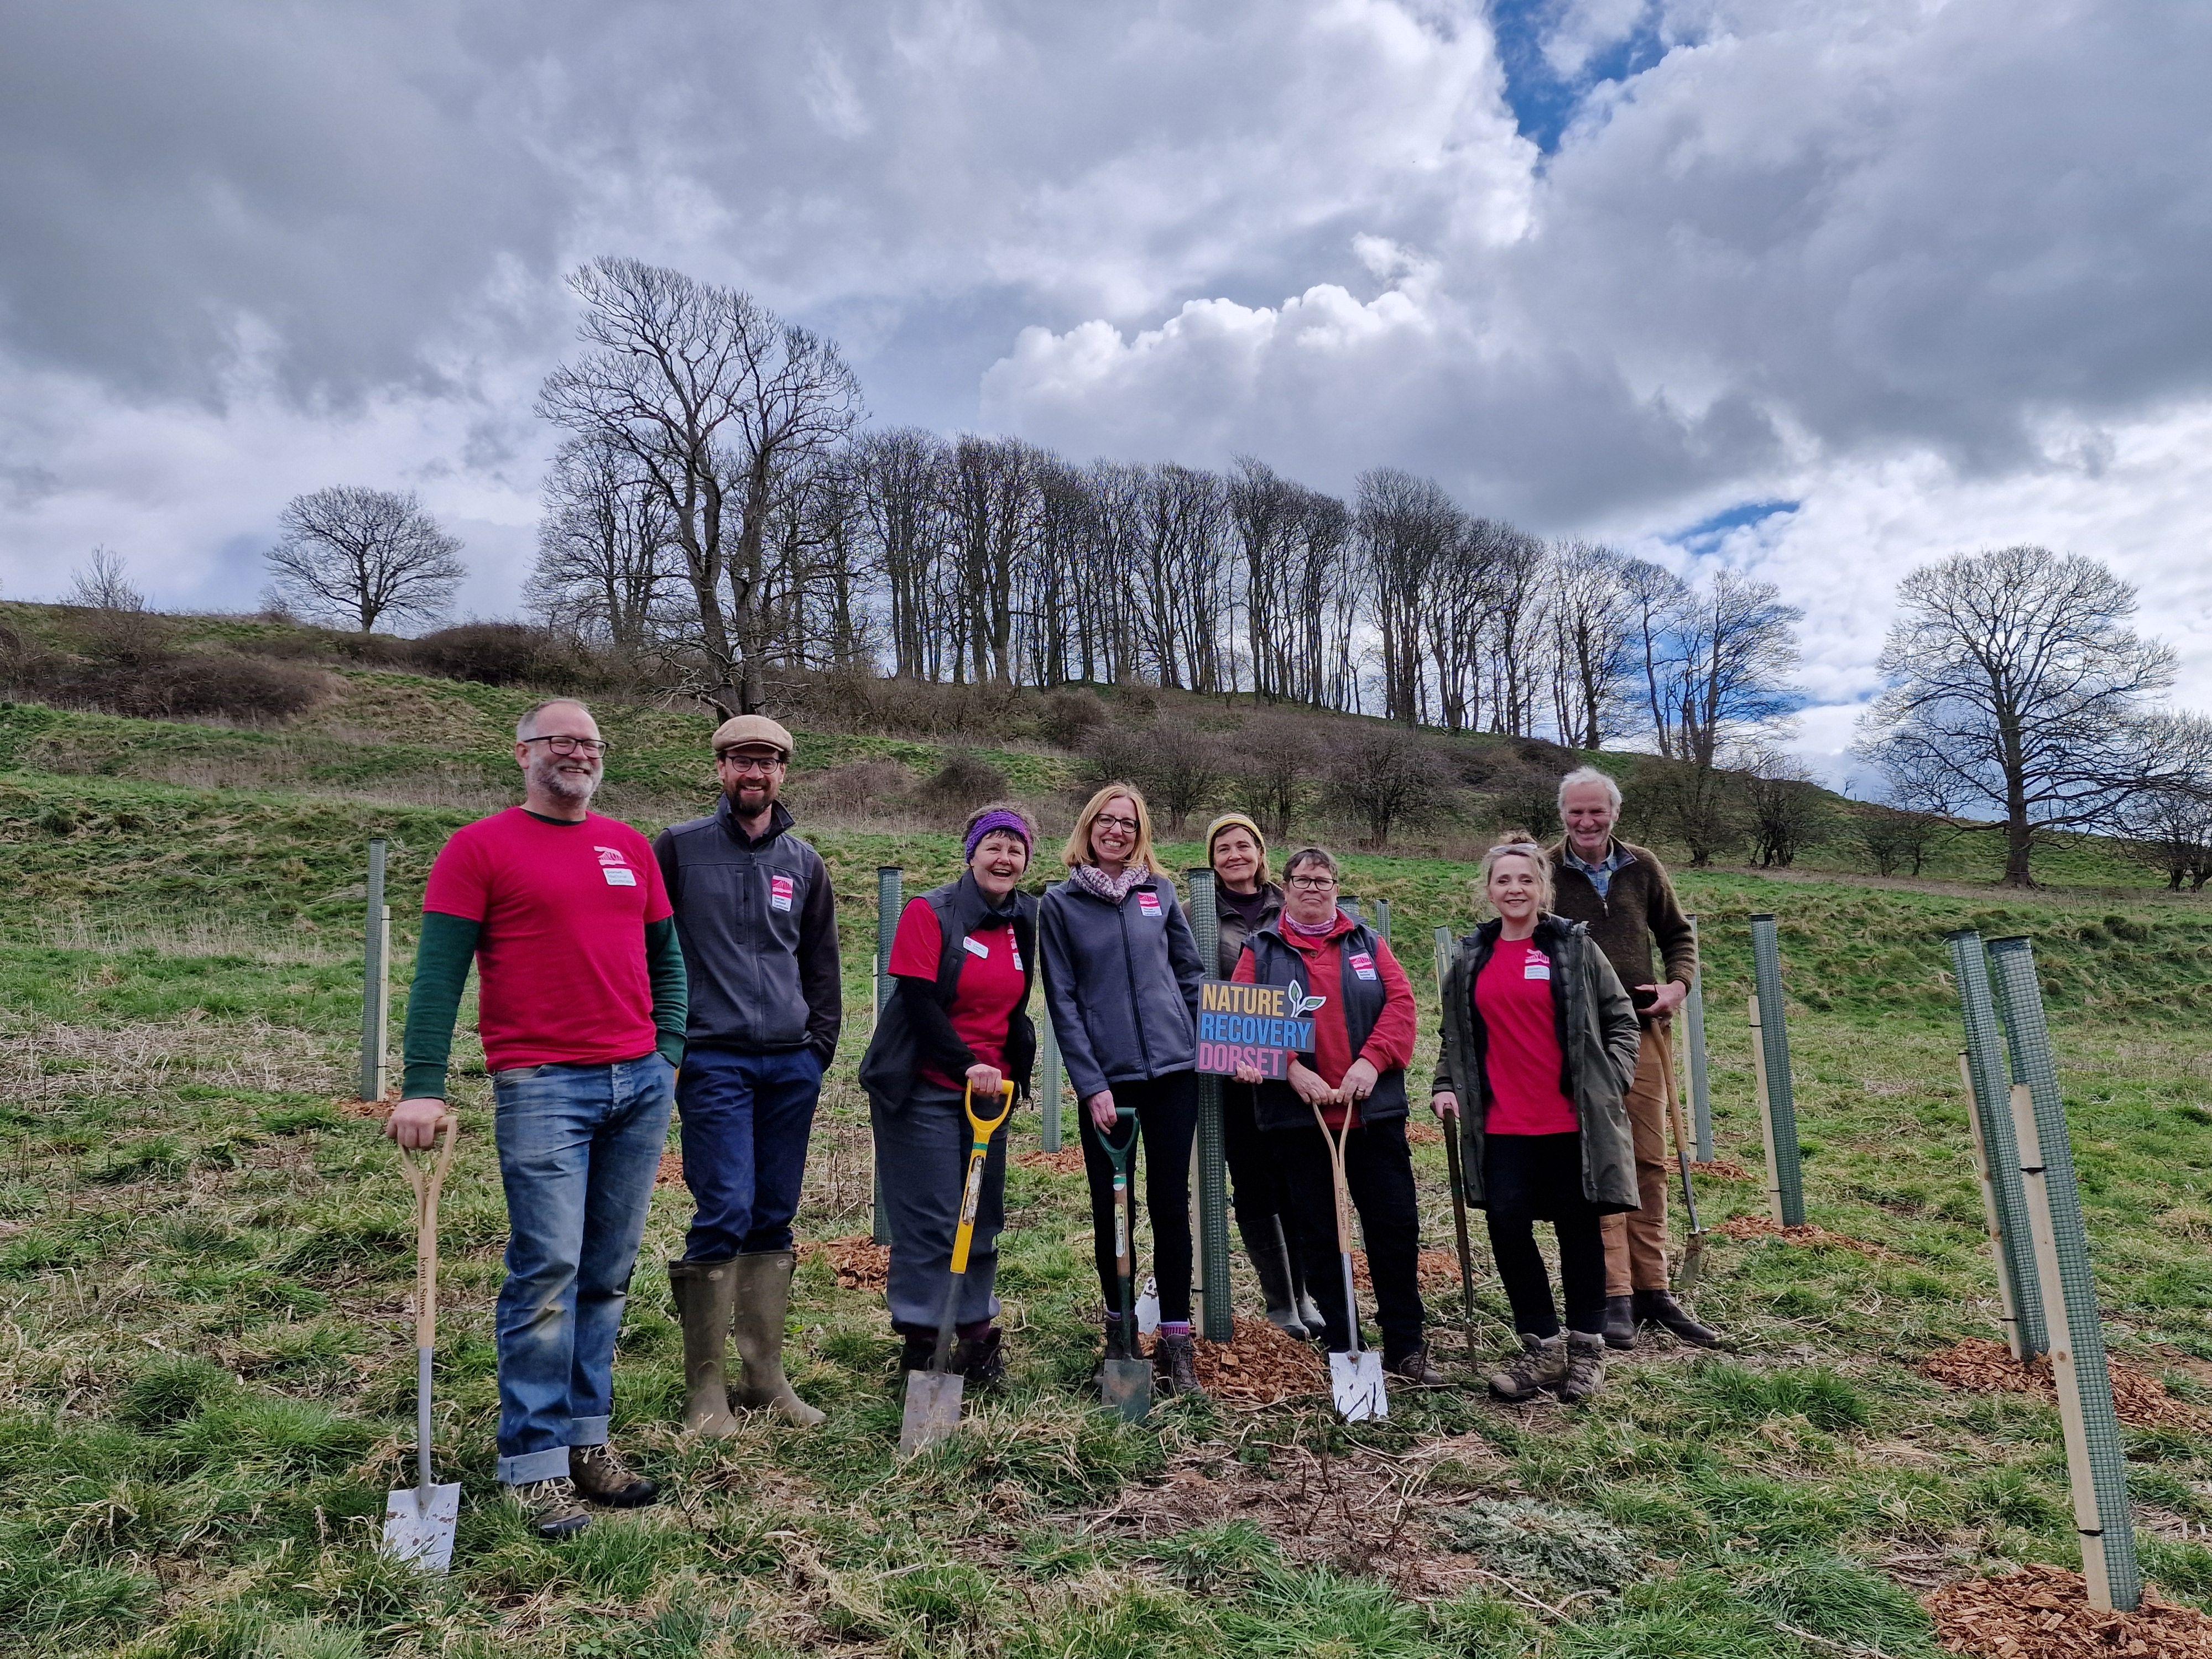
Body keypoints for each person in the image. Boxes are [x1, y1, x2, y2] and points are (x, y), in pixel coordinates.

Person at [389, 698, 685, 1537]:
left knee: (607, 1272)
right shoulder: (477, 849)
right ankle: (533, 1463)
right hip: (544, 1084)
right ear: (520, 753)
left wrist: (669, 1046)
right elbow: (438, 974)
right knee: (547, 1272)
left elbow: (668, 955)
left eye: (590, 740)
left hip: (639, 1083)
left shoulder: (629, 847)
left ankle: (587, 1441)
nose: (578, 752)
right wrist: (421, 1083)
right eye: (560, 739)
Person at [653, 714, 841, 1434]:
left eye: (766, 763)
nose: (752, 774)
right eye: (739, 762)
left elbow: (822, 965)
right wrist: (671, 1044)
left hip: (790, 1065)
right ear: (721, 768)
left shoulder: (804, 863)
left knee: (773, 1213)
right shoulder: (679, 850)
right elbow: (650, 946)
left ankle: (764, 1377)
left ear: (783, 772)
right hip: (713, 1059)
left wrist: (816, 1048)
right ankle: (706, 1389)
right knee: (725, 1207)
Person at [1431, 836, 1641, 1404]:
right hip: (1500, 1125)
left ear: (1542, 887)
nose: (1514, 889)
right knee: (1507, 1229)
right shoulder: (1472, 955)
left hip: (1569, 1123)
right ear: (1489, 889)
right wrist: (1445, 1085)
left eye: (1525, 880)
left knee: (1579, 1233)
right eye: (1503, 881)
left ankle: (1586, 1351)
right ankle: (1542, 1348)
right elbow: (1455, 1037)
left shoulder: (1572, 948)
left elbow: (1622, 1020)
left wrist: (1609, 1081)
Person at [1230, 848, 1441, 1384]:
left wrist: (1371, 1064)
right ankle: (1344, 1342)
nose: (1312, 888)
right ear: (1286, 887)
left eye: (1322, 880)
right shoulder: (1262, 949)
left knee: (1393, 1227)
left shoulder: (1366, 943)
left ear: (1334, 887)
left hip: (1371, 1117)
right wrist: (1291, 1070)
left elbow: (1400, 1005)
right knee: (1319, 1234)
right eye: (1301, 880)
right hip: (1300, 1122)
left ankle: (1405, 1345)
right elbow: (1239, 1022)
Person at [859, 804, 1040, 1386]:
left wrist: (1002, 1069)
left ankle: (976, 1337)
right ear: (971, 853)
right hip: (924, 1085)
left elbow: (1014, 1007)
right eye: (994, 846)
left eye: (1016, 849)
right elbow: (917, 1000)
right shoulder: (930, 912)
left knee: (981, 1216)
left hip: (992, 1094)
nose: (1004, 858)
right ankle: (920, 1343)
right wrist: (966, 1065)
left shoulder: (1023, 921)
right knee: (933, 1220)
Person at [1040, 782, 1208, 1396]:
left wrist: (1201, 1046)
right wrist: (1091, 1085)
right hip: (1109, 1085)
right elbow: (1061, 1000)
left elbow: (1188, 975)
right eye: (1107, 821)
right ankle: (1118, 1338)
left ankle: (1176, 1341)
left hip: (1173, 1075)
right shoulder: (1058, 905)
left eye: (1129, 824)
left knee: (1170, 1207)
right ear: (1088, 828)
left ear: (1141, 835)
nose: (1117, 831)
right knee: (1115, 1213)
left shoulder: (1158, 892)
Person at [1547, 766, 1719, 1349]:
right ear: (1563, 815)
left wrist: (1678, 986)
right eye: (1576, 812)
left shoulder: (1641, 866)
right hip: (1576, 1041)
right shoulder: (1544, 871)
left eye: (1597, 811)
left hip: (1643, 1031)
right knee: (1598, 1162)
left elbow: (1677, 935)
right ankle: (1612, 1292)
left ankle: (1655, 1289)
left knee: (1649, 1158)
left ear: (1614, 813)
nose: (1587, 822)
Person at [1204, 813, 1322, 1339]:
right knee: (1252, 1180)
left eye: (1243, 845)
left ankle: (1306, 1292)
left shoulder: (1290, 906)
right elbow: (1199, 988)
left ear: (1259, 852)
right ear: (1212, 859)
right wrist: (1232, 1056)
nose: (1234, 855)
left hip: (1293, 1067)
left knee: (1296, 1179)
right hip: (1236, 1074)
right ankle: (1280, 1302)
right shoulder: (1199, 913)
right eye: (1223, 848)